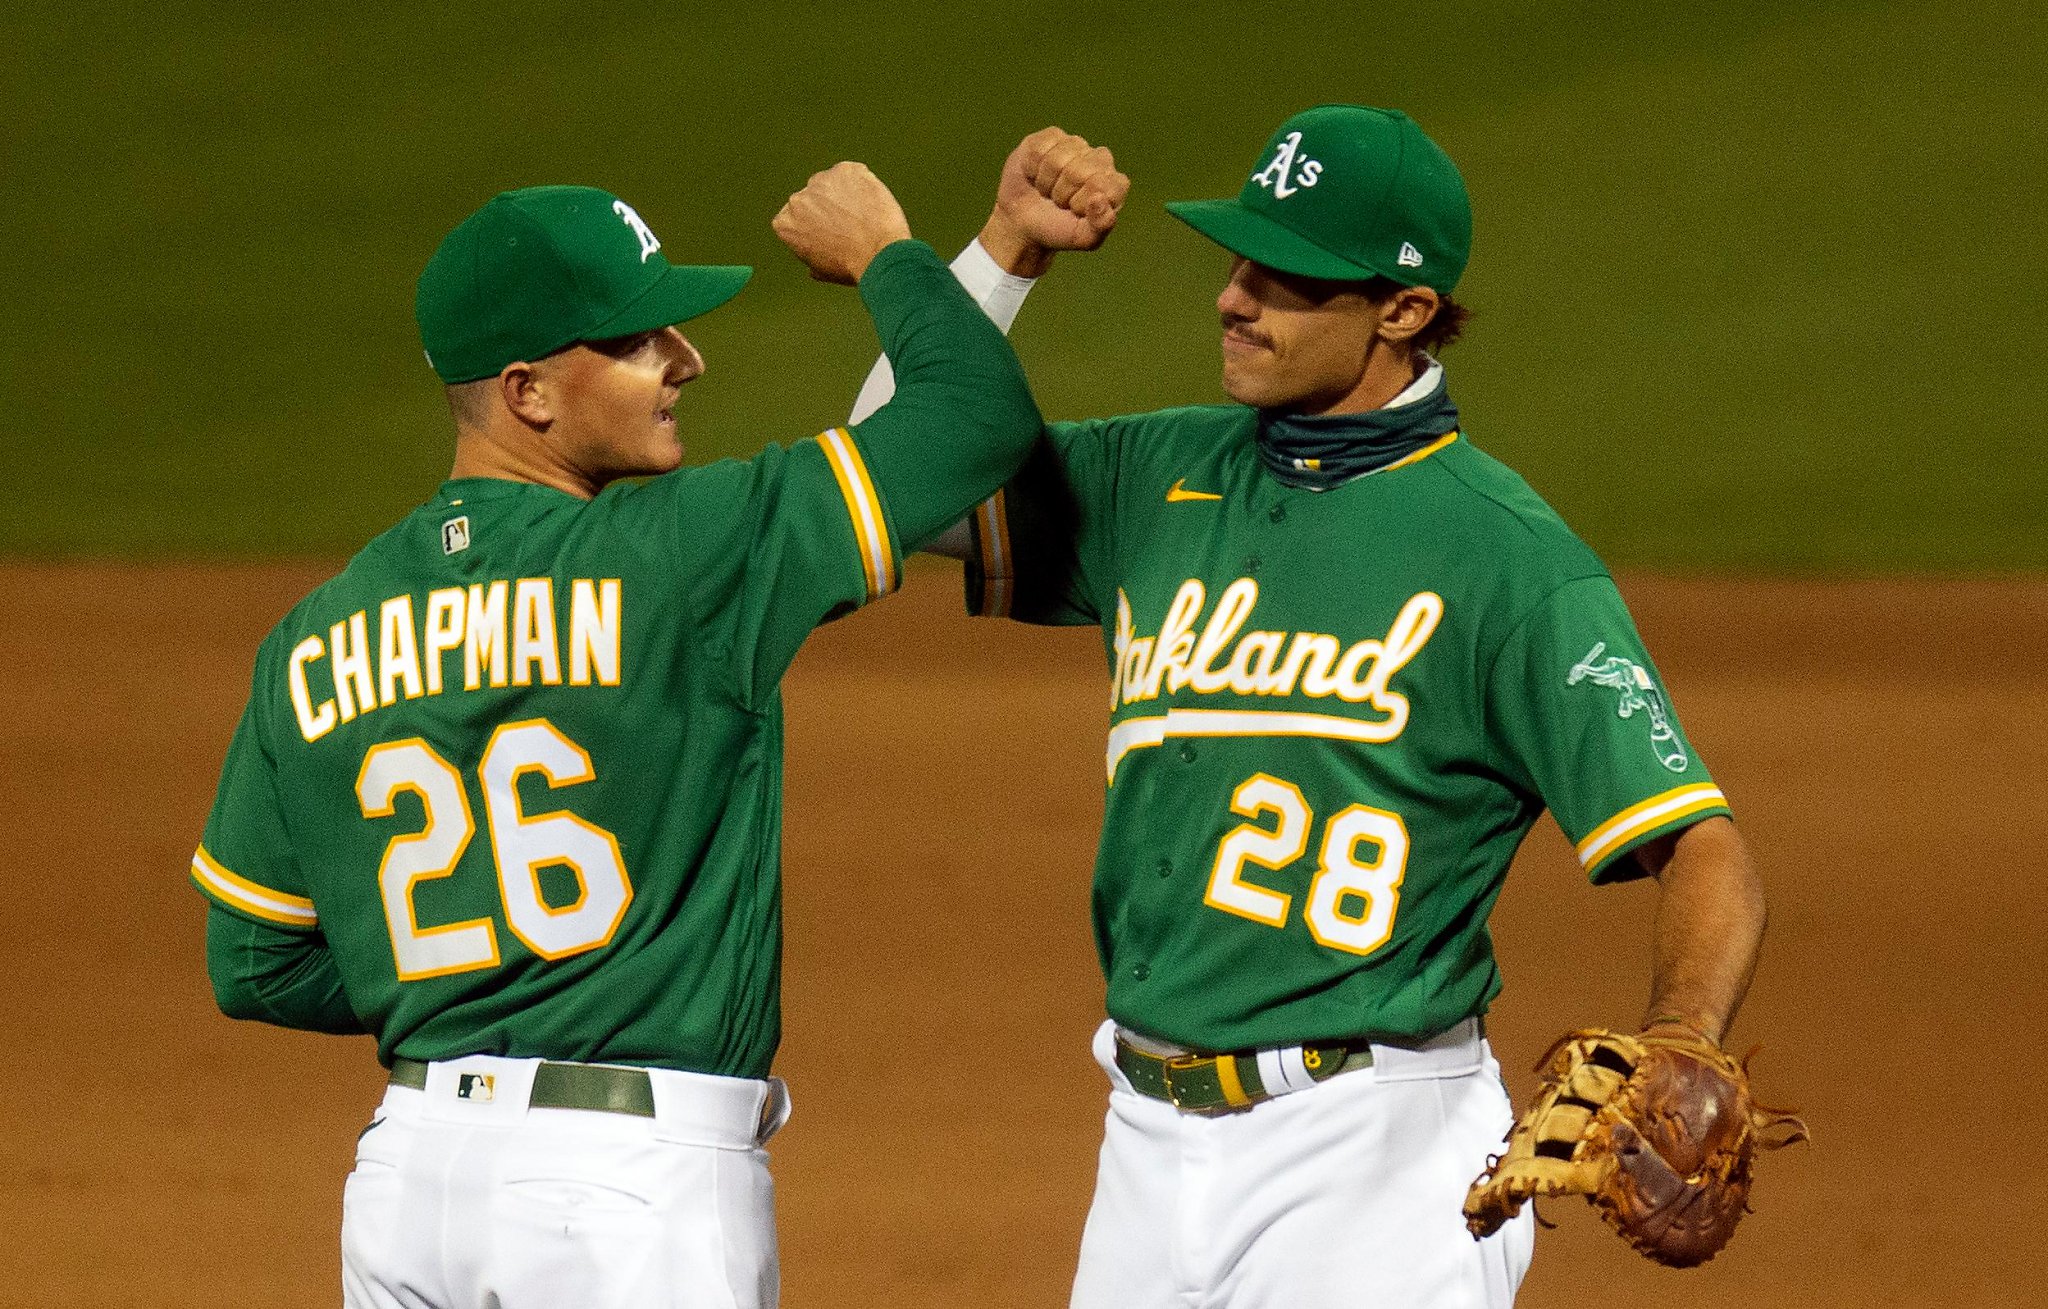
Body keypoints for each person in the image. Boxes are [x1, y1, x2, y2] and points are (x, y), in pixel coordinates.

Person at [188, 147, 1123, 1309]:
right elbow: (972, 418)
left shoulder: (313, 636)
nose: (685, 358)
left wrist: (472, 980)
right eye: (637, 343)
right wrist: (895, 253)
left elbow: (256, 961)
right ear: (528, 391)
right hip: (625, 1197)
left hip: (408, 1183)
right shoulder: (686, 554)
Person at [867, 107, 1767, 1307]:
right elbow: (896, 472)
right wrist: (1004, 249)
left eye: (1287, 281)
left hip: (1375, 1159)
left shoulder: (1506, 560)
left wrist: (1677, 1034)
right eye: (1238, 262)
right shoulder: (1156, 475)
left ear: (1399, 311)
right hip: (1144, 1143)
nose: (1236, 298)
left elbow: (1705, 849)